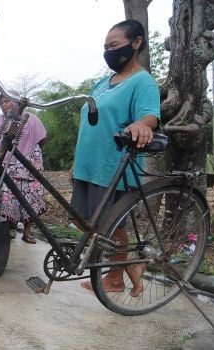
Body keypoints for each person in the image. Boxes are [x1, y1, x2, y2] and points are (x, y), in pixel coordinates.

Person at [72, 19, 160, 297]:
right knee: (84, 220)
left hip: (112, 165)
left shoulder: (143, 81)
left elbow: (150, 115)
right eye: (105, 47)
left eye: (114, 45)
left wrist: (141, 124)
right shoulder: (103, 82)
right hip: (87, 165)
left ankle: (115, 278)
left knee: (109, 226)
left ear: (136, 43)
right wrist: (76, 164)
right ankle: (130, 269)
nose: (108, 51)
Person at [0, 93, 47, 244]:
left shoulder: (30, 118)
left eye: (7, 101)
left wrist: (31, 153)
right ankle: (10, 227)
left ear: (16, 102)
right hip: (7, 164)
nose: (4, 105)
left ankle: (27, 231)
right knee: (8, 197)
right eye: (2, 102)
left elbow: (42, 138)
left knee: (31, 197)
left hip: (29, 163)